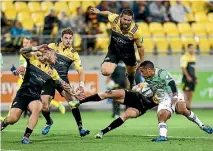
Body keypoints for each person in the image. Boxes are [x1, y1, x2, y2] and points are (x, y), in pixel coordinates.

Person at [0, 44, 76, 144]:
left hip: (34, 96)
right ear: (46, 53)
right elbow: (22, 50)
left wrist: (74, 93)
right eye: (54, 55)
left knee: (38, 107)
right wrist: (36, 48)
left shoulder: (52, 72)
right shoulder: (33, 59)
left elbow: (63, 84)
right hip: (22, 95)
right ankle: (3, 124)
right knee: (12, 119)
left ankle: (26, 137)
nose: (55, 58)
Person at [138, 61, 212, 141]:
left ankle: (202, 125)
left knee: (182, 109)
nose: (141, 74)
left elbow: (171, 83)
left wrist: (175, 96)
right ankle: (163, 136)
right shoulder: (147, 79)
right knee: (162, 116)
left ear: (149, 69)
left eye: (142, 71)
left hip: (173, 94)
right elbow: (145, 91)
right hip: (164, 99)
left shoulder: (161, 73)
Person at [41, 28, 89, 137]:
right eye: (66, 38)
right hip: (49, 79)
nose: (68, 40)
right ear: (61, 38)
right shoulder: (52, 46)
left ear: (72, 40)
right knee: (44, 105)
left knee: (73, 102)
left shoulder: (74, 54)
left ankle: (81, 128)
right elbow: (39, 56)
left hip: (62, 81)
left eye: (70, 38)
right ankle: (49, 122)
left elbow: (81, 71)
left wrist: (81, 86)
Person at [90, 8, 144, 89]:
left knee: (130, 74)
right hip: (114, 51)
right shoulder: (115, 19)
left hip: (128, 54)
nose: (126, 22)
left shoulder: (136, 31)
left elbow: (140, 47)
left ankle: (131, 82)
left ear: (132, 20)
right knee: (105, 71)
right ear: (120, 17)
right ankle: (114, 66)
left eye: (129, 20)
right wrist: (99, 12)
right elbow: (108, 13)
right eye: (124, 19)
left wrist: (142, 62)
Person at [180, 44, 197, 110]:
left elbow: (194, 68)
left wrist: (195, 78)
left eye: (193, 48)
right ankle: (183, 110)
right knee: (186, 95)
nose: (193, 50)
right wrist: (188, 76)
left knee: (190, 95)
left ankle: (188, 111)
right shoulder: (184, 57)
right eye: (191, 48)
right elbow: (183, 68)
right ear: (188, 49)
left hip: (192, 79)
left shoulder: (193, 57)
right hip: (187, 79)